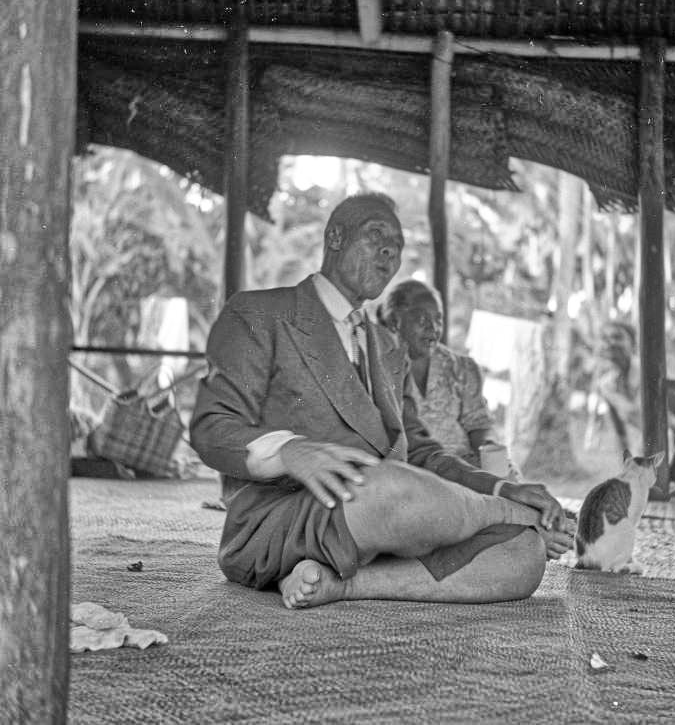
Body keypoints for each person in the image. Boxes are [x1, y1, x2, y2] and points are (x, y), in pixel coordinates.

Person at [191, 193, 572, 609]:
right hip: (289, 518)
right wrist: (289, 451)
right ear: (335, 236)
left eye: (398, 247)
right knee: (390, 484)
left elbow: (423, 452)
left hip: (396, 520)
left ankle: (341, 585)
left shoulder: (389, 348)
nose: (390, 252)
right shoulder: (260, 313)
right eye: (376, 236)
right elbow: (212, 426)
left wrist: (502, 485)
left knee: (524, 555)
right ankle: (505, 512)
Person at [379, 279, 518, 478]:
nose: (433, 328)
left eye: (438, 319)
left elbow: (478, 424)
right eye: (422, 319)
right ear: (395, 322)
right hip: (417, 473)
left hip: (468, 468)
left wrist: (488, 448)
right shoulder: (379, 370)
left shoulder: (461, 368)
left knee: (516, 488)